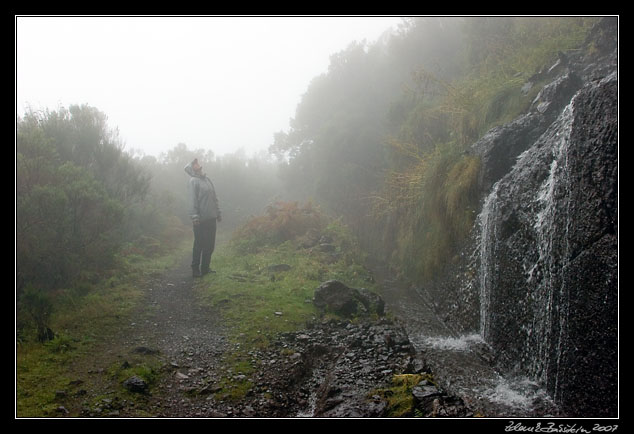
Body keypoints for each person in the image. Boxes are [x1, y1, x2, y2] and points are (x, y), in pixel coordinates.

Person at [184, 158, 221, 277]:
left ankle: (205, 268)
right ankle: (195, 269)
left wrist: (218, 212)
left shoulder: (207, 180)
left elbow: (214, 198)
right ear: (192, 168)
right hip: (200, 220)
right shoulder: (193, 181)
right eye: (195, 164)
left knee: (210, 245)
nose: (198, 165)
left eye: (197, 163)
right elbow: (192, 200)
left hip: (211, 217)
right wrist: (195, 217)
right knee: (199, 244)